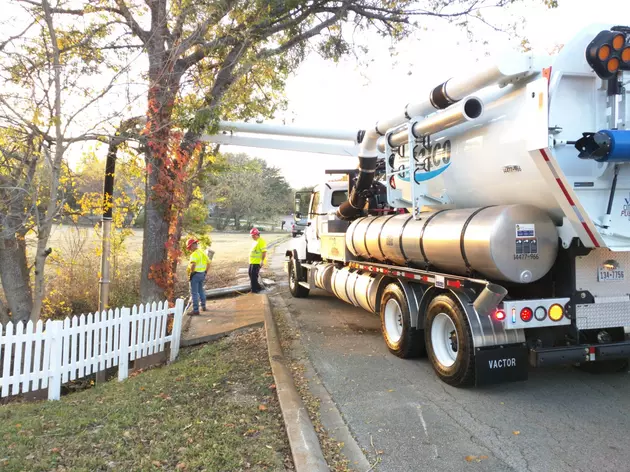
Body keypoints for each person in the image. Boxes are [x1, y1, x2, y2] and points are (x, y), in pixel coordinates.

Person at [186, 238, 210, 315]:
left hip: (195, 275)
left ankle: (195, 310)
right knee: (201, 290)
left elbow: (193, 264)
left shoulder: (194, 254)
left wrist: (192, 273)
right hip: (202, 274)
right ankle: (203, 306)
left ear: (192, 246)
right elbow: (208, 263)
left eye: (189, 247)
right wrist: (205, 271)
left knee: (194, 293)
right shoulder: (202, 252)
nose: (189, 249)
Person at [248, 228, 267, 294]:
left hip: (257, 262)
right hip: (252, 261)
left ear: (257, 234)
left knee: (253, 276)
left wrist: (262, 261)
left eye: (253, 235)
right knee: (250, 274)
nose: (252, 237)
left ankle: (254, 290)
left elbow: (264, 252)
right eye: (251, 236)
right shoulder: (255, 241)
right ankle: (258, 287)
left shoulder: (261, 241)